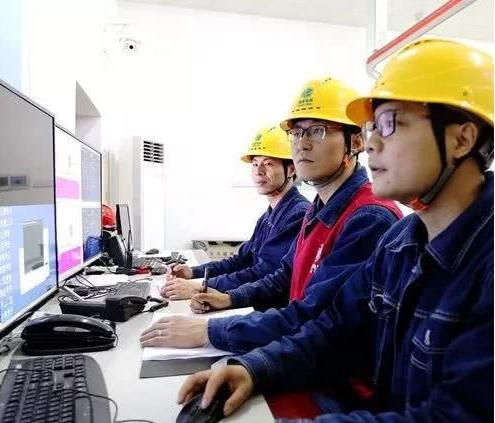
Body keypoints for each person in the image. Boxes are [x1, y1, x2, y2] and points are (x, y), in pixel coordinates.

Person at [145, 38, 494, 423]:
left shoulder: (468, 256)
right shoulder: (401, 241)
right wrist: (253, 368)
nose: (371, 142)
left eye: (390, 123)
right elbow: (335, 329)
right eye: (370, 127)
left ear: (461, 139)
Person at [141, 78, 401, 354]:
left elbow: (319, 319)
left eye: (317, 131)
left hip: (327, 369)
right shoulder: (318, 209)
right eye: (296, 133)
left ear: (356, 141)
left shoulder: (368, 217)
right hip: (299, 351)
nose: (303, 144)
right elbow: (284, 276)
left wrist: (211, 330)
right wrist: (230, 298)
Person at [160, 126, 309, 300]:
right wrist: (193, 272)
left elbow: (263, 273)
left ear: (291, 170)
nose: (258, 171)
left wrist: (200, 287)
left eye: (268, 163)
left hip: (270, 306)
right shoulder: (268, 217)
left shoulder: (297, 215)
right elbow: (241, 261)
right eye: (255, 164)